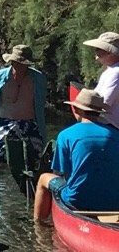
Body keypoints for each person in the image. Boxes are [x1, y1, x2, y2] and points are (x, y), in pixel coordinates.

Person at [34, 87, 119, 222]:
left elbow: (59, 173)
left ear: (76, 109)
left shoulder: (66, 135)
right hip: (114, 203)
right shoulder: (116, 134)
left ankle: (39, 226)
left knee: (44, 178)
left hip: (77, 201)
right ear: (98, 113)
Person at [0, 44, 47, 166]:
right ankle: (0, 182)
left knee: (35, 158)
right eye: (16, 63)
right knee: (1, 160)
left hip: (29, 123)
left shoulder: (38, 79)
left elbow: (40, 106)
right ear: (11, 62)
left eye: (23, 64)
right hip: (6, 123)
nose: (19, 66)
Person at [83, 31, 119, 128]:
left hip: (110, 126)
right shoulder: (111, 71)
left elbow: (104, 103)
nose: (96, 52)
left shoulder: (116, 72)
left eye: (99, 49)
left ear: (109, 52)